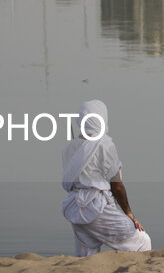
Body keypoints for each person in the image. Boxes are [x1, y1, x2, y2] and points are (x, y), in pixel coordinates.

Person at [61, 99, 151, 256]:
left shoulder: (69, 146)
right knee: (141, 241)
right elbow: (116, 185)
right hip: (96, 208)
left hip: (74, 207)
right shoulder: (104, 144)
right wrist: (129, 214)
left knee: (86, 255)